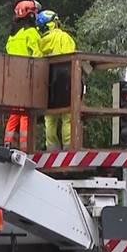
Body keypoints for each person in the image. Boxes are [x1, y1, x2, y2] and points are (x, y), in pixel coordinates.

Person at [4, 0, 42, 149]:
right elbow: (38, 54)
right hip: (27, 77)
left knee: (15, 113)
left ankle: (7, 143)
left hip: (13, 77)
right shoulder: (31, 33)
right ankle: (24, 148)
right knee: (26, 113)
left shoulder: (12, 36)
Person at [37, 9, 77, 149]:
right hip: (66, 82)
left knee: (50, 119)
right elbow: (72, 58)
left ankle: (52, 149)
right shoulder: (65, 38)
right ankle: (68, 147)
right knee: (67, 117)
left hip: (48, 86)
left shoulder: (40, 42)